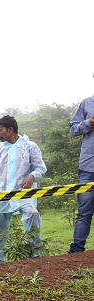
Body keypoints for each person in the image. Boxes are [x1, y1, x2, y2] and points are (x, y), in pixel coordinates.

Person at [0, 115, 47, 264]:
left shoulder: (30, 146)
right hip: (0, 194)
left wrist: (32, 175)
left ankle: (35, 254)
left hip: (23, 193)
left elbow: (41, 167)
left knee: (32, 214)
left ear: (10, 129)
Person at [68, 90, 94, 253]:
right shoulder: (86, 103)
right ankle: (77, 251)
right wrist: (87, 124)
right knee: (84, 211)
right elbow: (73, 130)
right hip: (88, 166)